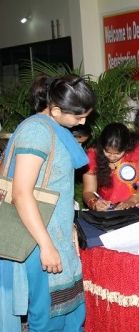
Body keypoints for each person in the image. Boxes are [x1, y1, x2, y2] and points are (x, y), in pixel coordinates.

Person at [0, 75, 96, 331]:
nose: (83, 122)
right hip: (38, 240)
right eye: (78, 116)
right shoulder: (36, 131)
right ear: (54, 110)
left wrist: (70, 229)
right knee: (49, 319)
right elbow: (21, 192)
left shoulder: (55, 130)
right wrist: (46, 245)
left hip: (57, 236)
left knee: (72, 314)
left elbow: (56, 186)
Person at [82, 122, 139, 211]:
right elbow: (88, 191)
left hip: (136, 206)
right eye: (107, 152)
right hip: (108, 209)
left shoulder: (138, 151)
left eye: (118, 153)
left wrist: (133, 200)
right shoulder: (93, 155)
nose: (112, 157)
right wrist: (94, 203)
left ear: (126, 147)